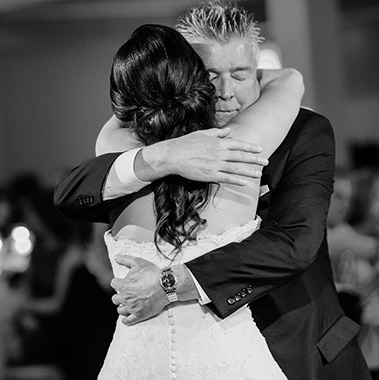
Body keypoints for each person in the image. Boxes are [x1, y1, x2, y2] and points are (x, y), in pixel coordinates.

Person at [54, 1, 371, 379]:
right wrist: (164, 157)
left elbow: (294, 242)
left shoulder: (305, 131)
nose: (225, 92)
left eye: (241, 74)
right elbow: (73, 193)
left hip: (301, 345)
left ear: (259, 70)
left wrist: (172, 283)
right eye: (210, 74)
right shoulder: (157, 138)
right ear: (185, 78)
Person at [99, 21, 302, 378]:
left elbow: (119, 120)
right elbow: (290, 80)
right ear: (198, 84)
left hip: (136, 363)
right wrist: (242, 66)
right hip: (230, 360)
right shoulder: (240, 147)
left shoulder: (112, 154)